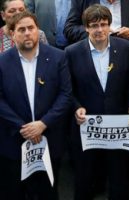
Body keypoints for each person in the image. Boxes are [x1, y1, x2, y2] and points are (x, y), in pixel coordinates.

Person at [65, 4, 129, 200]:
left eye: (103, 24)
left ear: (110, 25)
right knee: (84, 180)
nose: (99, 30)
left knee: (119, 179)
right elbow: (67, 89)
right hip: (86, 128)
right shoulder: (71, 52)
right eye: (94, 25)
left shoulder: (126, 48)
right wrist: (76, 108)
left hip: (118, 126)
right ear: (86, 27)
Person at [0, 10, 72, 200]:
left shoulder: (58, 57)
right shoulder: (2, 62)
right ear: (12, 34)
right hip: (14, 141)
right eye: (21, 29)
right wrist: (23, 127)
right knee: (14, 192)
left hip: (49, 140)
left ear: (38, 30)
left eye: (31, 28)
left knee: (47, 192)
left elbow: (65, 94)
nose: (27, 33)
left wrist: (43, 124)